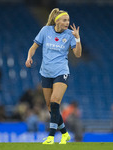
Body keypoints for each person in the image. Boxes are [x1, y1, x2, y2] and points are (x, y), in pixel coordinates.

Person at [25, 8, 82, 144]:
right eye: (64, 20)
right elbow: (33, 47)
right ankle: (65, 134)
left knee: (55, 101)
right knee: (51, 106)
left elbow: (78, 54)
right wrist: (28, 57)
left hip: (61, 72)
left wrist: (77, 39)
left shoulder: (69, 34)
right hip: (46, 72)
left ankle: (51, 136)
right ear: (57, 21)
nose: (67, 22)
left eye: (68, 20)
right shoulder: (46, 31)